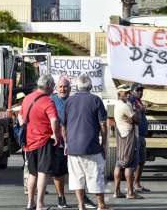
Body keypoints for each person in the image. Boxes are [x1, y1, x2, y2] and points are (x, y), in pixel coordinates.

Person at [62, 74, 111, 210]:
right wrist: (104, 143)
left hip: (73, 147)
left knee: (77, 177)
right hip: (91, 146)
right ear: (90, 86)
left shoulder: (69, 101)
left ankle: (80, 205)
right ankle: (101, 205)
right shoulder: (96, 100)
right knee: (95, 175)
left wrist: (66, 143)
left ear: (77, 87)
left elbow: (63, 126)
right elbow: (103, 125)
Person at [20, 74, 60, 210]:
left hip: (29, 142)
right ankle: (40, 205)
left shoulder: (27, 99)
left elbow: (20, 117)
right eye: (53, 86)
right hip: (44, 140)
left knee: (32, 173)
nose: (53, 89)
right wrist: (56, 135)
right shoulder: (48, 101)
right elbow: (54, 120)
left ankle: (30, 202)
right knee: (43, 172)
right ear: (48, 86)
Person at [113, 84, 143, 199]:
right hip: (129, 137)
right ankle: (130, 192)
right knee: (129, 165)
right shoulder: (125, 105)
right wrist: (138, 111)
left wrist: (133, 118)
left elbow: (133, 119)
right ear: (119, 93)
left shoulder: (118, 104)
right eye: (125, 93)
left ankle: (117, 191)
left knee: (119, 163)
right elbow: (137, 120)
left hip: (121, 136)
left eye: (129, 92)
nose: (128, 94)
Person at [50, 77, 71, 209]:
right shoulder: (51, 100)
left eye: (65, 87)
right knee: (58, 171)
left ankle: (83, 196)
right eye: (61, 87)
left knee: (77, 171)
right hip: (58, 142)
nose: (63, 89)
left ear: (70, 88)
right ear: (57, 88)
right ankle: (61, 197)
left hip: (74, 141)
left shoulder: (73, 100)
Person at [129, 83, 151, 193]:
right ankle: (131, 187)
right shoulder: (132, 100)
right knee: (135, 161)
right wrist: (140, 109)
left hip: (141, 135)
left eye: (141, 90)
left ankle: (137, 184)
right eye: (138, 90)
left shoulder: (138, 100)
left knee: (141, 160)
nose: (140, 92)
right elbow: (132, 114)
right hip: (135, 135)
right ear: (132, 91)